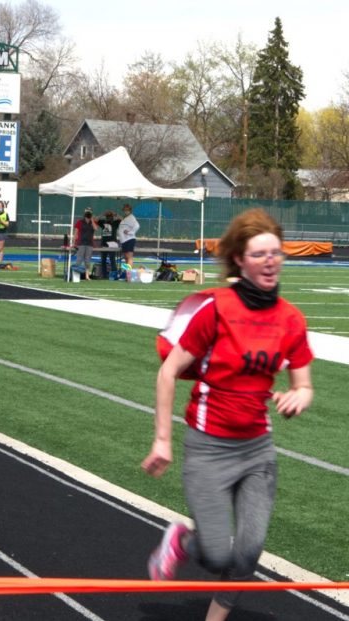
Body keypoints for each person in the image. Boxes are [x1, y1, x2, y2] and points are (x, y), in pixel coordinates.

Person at [141, 208, 313, 621]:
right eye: (260, 254)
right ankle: (183, 542)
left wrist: (299, 395)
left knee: (249, 552)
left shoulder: (291, 319)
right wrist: (162, 439)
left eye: (276, 253)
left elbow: (302, 383)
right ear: (239, 259)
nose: (271, 261)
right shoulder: (215, 309)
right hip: (209, 450)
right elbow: (169, 371)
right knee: (218, 554)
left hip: (258, 452)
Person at [73, 208, 98, 280]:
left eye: (89, 212)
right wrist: (74, 242)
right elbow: (76, 233)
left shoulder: (93, 222)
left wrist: (92, 220)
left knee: (87, 261)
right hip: (81, 243)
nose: (88, 214)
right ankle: (76, 275)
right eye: (87, 212)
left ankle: (87, 276)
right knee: (79, 259)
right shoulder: (80, 222)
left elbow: (96, 229)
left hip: (89, 244)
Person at [96, 210, 120, 278]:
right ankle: (104, 275)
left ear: (112, 217)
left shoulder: (115, 223)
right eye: (108, 216)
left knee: (112, 260)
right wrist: (103, 214)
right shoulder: (103, 222)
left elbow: (121, 219)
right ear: (106, 217)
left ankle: (114, 275)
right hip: (104, 243)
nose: (109, 218)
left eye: (110, 216)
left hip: (112, 244)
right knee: (103, 260)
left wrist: (115, 213)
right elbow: (95, 219)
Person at [117, 203, 139, 268]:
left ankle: (129, 274)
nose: (125, 211)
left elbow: (137, 226)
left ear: (130, 210)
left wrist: (130, 232)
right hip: (124, 241)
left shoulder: (132, 217)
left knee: (129, 257)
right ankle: (127, 273)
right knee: (126, 257)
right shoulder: (125, 218)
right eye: (124, 210)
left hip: (129, 240)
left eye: (127, 209)